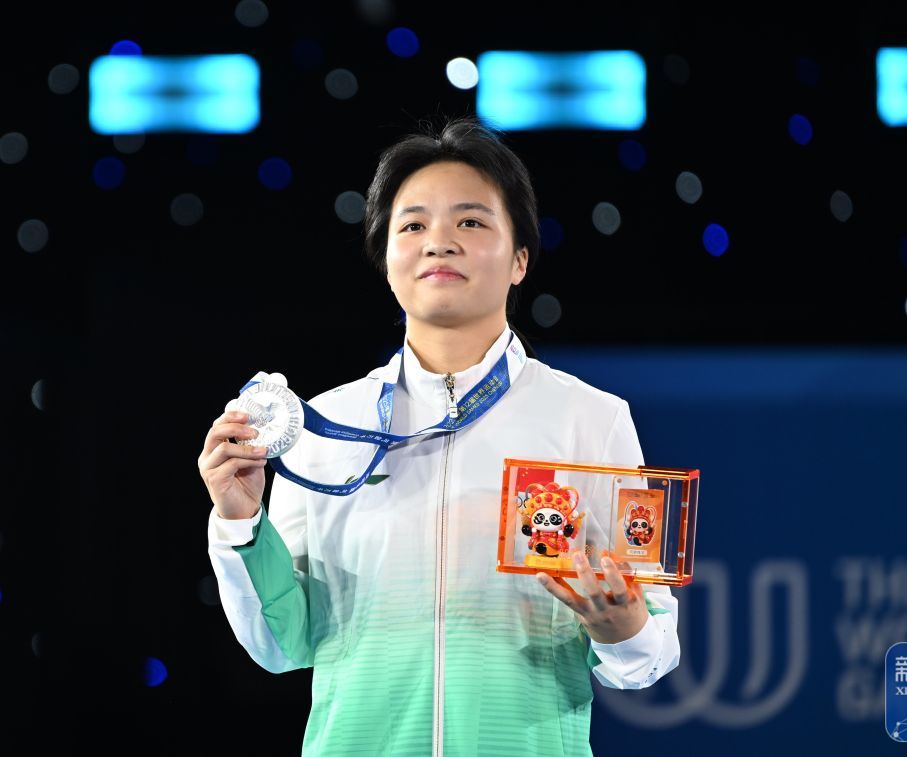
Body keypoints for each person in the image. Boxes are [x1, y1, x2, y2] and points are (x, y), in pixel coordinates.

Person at [198, 116, 681, 756]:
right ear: (387, 260)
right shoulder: (323, 427)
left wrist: (623, 626)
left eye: (471, 222)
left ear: (520, 260)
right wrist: (239, 524)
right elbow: (283, 645)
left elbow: (652, 653)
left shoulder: (591, 420)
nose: (439, 243)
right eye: (413, 226)